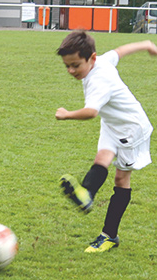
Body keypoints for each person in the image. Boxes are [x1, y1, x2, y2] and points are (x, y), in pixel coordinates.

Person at [55, 30, 157, 253]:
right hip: (112, 124)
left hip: (131, 129)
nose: (71, 71)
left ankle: (109, 235)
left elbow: (91, 112)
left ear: (91, 58)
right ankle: (87, 194)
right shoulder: (101, 60)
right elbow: (121, 51)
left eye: (75, 65)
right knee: (102, 157)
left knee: (121, 179)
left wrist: (67, 114)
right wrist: (146, 43)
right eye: (67, 66)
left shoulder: (98, 81)